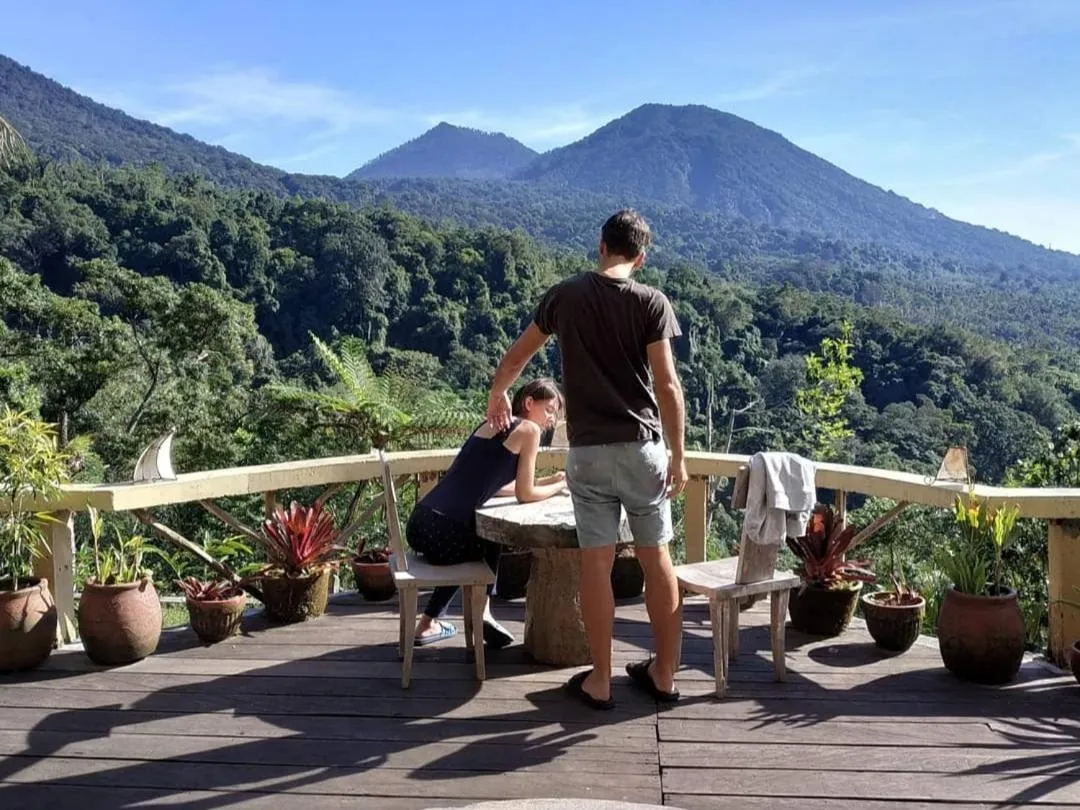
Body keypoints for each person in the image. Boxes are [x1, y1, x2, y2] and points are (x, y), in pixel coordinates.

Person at [485, 209, 687, 709]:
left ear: (601, 246)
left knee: (595, 564)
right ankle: (664, 674)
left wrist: (499, 393)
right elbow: (667, 386)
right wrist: (678, 455)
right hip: (642, 448)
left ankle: (600, 680)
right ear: (641, 257)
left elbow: (517, 356)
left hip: (589, 452)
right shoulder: (652, 302)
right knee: (656, 558)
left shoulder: (565, 296)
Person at [406, 377, 568, 649]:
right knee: (489, 538)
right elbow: (525, 494)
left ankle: (440, 619)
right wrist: (561, 486)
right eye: (549, 410)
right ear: (529, 403)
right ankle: (476, 613)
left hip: (419, 522)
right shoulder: (529, 430)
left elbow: (495, 486)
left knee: (477, 539)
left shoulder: (492, 423)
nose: (552, 419)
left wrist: (547, 481)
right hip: (442, 533)